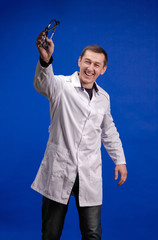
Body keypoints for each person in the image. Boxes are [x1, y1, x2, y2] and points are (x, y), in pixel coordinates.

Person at [31, 31, 127, 240]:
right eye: (87, 62)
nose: (90, 68)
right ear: (79, 61)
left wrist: (120, 160)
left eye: (96, 65)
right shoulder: (61, 86)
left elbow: (108, 131)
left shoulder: (104, 98)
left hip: (88, 171)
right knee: (51, 233)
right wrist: (45, 61)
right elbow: (42, 84)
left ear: (103, 70)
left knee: (92, 233)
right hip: (60, 168)